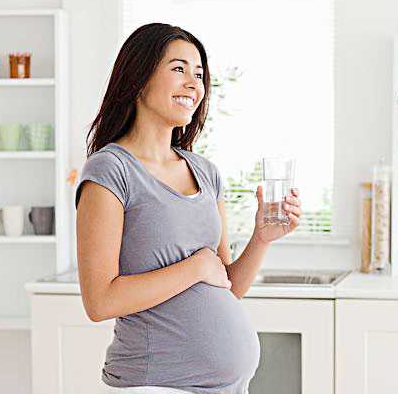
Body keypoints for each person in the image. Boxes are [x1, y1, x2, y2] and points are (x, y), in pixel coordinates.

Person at [75, 23, 302, 394]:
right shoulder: (111, 170)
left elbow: (227, 285)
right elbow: (99, 301)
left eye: (199, 74)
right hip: (155, 384)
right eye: (179, 68)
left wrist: (261, 238)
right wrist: (195, 267)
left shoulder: (205, 172)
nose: (193, 84)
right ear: (138, 77)